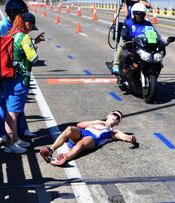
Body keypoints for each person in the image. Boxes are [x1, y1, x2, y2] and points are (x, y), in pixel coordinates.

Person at [39, 110, 136, 166]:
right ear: (109, 115)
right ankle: (51, 150)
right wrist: (96, 121)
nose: (116, 117)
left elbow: (125, 137)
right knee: (69, 129)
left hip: (93, 139)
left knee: (82, 143)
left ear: (118, 122)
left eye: (118, 118)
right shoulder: (97, 122)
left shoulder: (113, 131)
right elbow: (79, 125)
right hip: (84, 132)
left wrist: (131, 138)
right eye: (115, 114)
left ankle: (64, 158)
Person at [2, 13, 38, 153]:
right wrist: (34, 48)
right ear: (27, 24)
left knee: (12, 111)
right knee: (12, 113)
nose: (30, 30)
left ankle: (15, 139)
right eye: (31, 27)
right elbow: (33, 58)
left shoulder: (11, 34)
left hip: (7, 77)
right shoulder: (24, 37)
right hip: (19, 79)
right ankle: (10, 144)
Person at [111, 0, 150, 75]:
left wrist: (139, 1)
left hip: (141, 23)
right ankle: (115, 64)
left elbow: (148, 5)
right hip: (130, 23)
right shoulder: (128, 2)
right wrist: (125, 2)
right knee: (122, 42)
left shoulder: (140, 1)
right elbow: (126, 15)